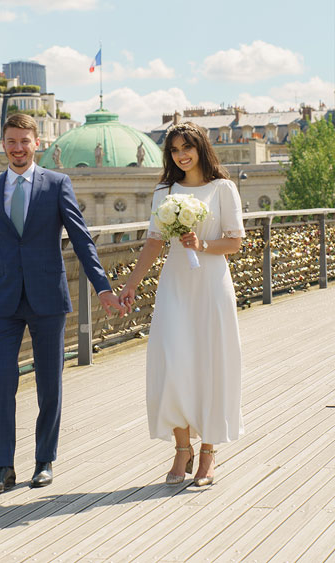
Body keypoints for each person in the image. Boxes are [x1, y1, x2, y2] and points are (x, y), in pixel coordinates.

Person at [0, 113, 124, 494]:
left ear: (38, 143)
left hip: (48, 298)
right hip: (2, 301)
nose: (18, 148)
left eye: (24, 141)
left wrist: (102, 288)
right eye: (11, 141)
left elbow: (82, 241)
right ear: (3, 144)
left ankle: (44, 461)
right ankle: (3, 467)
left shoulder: (57, 184)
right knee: (1, 381)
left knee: (49, 382)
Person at [119, 122, 244, 487]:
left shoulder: (224, 188)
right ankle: (181, 448)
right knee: (173, 362)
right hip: (175, 285)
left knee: (209, 362)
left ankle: (208, 453)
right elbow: (154, 243)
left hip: (211, 285)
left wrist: (202, 245)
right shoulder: (165, 191)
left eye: (187, 146)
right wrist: (130, 286)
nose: (181, 154)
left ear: (200, 147)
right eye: (174, 149)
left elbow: (235, 242)